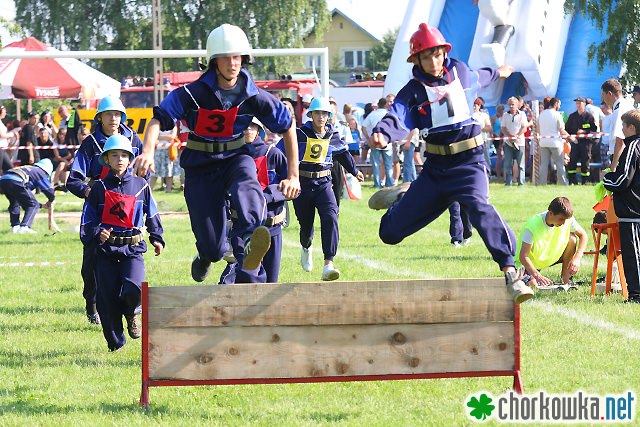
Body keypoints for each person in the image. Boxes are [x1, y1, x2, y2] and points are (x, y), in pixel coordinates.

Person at [367, 23, 533, 304]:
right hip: (435, 171)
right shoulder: (413, 92)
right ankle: (405, 195)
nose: (433, 62)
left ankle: (510, 272)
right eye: (426, 56)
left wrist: (500, 72)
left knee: (479, 207)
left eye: (437, 54)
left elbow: (483, 75)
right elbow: (397, 114)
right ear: (416, 60)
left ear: (444, 53)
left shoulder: (462, 72)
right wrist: (382, 132)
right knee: (389, 234)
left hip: (469, 164)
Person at [132, 24, 300, 284]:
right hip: (200, 165)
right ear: (213, 61)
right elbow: (158, 120)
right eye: (226, 57)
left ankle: (248, 240)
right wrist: (147, 152)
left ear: (244, 59)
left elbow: (288, 125)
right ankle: (206, 256)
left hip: (236, 157)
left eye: (237, 57)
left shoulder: (254, 96)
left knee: (248, 183)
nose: (233, 64)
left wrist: (293, 176)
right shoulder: (192, 93)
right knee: (214, 248)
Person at [80, 134, 164, 351]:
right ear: (106, 159)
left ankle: (132, 313)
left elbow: (151, 213)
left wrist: (157, 237)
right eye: (114, 155)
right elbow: (87, 220)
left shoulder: (141, 185)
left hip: (132, 250)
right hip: (105, 252)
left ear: (130, 159)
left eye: (124, 155)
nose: (119, 159)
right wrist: (98, 232)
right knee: (107, 301)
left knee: (134, 288)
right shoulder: (98, 187)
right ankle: (115, 343)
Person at [67, 95, 144, 325]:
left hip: (127, 207)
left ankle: (128, 308)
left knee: (130, 255)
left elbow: (143, 173)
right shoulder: (90, 144)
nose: (114, 118)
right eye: (109, 114)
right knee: (92, 259)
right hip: (99, 206)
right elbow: (74, 179)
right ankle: (91, 302)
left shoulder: (133, 139)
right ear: (99, 117)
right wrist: (93, 193)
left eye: (117, 114)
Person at [294, 97, 364, 281]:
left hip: (325, 183)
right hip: (303, 184)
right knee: (306, 224)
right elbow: (281, 151)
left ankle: (328, 264)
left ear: (329, 116)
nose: (321, 117)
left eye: (324, 114)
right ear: (311, 115)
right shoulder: (299, 133)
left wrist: (354, 171)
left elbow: (343, 154)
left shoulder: (333, 135)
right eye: (317, 113)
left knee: (331, 217)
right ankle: (306, 246)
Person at [220, 118, 289, 284]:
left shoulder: (273, 154)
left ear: (259, 130)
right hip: (242, 227)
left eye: (252, 126)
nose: (247, 129)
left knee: (271, 283)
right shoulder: (231, 157)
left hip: (272, 226)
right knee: (249, 276)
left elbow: (292, 186)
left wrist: (265, 196)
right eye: (244, 125)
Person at [602, 109, 640, 303]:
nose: (622, 130)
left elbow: (624, 179)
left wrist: (606, 179)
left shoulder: (633, 146)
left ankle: (636, 295)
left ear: (631, 127)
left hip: (633, 211)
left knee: (633, 256)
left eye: (623, 126)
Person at [516, 197, 587, 288]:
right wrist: (538, 276)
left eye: (565, 219)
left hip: (549, 257)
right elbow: (523, 257)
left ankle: (565, 279)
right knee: (534, 286)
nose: (564, 222)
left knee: (572, 239)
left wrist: (577, 258)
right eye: (561, 219)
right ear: (551, 213)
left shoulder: (567, 219)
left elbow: (583, 235)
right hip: (526, 264)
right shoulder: (532, 226)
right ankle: (532, 278)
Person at [0, 158, 55, 234]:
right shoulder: (39, 172)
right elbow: (49, 191)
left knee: (14, 203)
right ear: (47, 171)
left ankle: (15, 227)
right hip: (17, 180)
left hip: (4, 179)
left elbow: (24, 200)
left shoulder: (29, 168)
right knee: (33, 204)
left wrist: (42, 206)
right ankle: (24, 227)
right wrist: (50, 201)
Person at [362, 98, 394, 188]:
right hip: (387, 141)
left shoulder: (373, 114)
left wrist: (368, 138)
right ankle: (390, 183)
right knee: (388, 164)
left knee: (376, 164)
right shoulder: (389, 114)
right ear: (386, 104)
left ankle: (377, 184)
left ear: (379, 105)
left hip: (375, 141)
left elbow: (363, 127)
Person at [537, 97, 569, 185]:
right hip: (555, 143)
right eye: (559, 104)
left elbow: (538, 130)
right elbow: (561, 129)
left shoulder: (542, 114)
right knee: (559, 164)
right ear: (556, 104)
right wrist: (570, 137)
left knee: (543, 165)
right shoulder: (557, 114)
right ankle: (563, 183)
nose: (559, 106)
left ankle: (542, 183)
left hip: (543, 142)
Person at [565, 96, 597, 185]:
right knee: (572, 161)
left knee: (585, 162)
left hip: (586, 143)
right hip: (575, 143)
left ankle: (585, 181)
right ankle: (572, 181)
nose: (578, 105)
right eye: (577, 103)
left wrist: (584, 131)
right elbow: (567, 129)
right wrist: (570, 137)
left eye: (580, 103)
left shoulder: (589, 117)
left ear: (584, 104)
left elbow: (593, 129)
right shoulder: (572, 116)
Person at [501, 96, 529, 186]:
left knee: (521, 164)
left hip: (520, 143)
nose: (511, 106)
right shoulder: (505, 115)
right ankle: (508, 183)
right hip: (508, 143)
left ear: (517, 105)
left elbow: (524, 127)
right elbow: (503, 128)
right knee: (508, 164)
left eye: (513, 104)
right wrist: (509, 136)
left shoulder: (522, 115)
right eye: (510, 105)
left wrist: (517, 136)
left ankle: (521, 183)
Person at [149, 126, 178, 192]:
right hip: (157, 150)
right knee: (154, 171)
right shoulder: (158, 125)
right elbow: (155, 136)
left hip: (169, 150)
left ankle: (168, 190)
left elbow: (172, 137)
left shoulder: (173, 126)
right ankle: (150, 190)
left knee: (169, 171)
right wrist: (167, 137)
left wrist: (160, 137)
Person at [491, 104, 505, 178]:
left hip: (502, 137)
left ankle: (502, 174)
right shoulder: (494, 118)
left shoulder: (503, 118)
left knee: (502, 156)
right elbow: (490, 128)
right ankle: (498, 174)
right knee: (500, 156)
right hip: (496, 138)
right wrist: (494, 134)